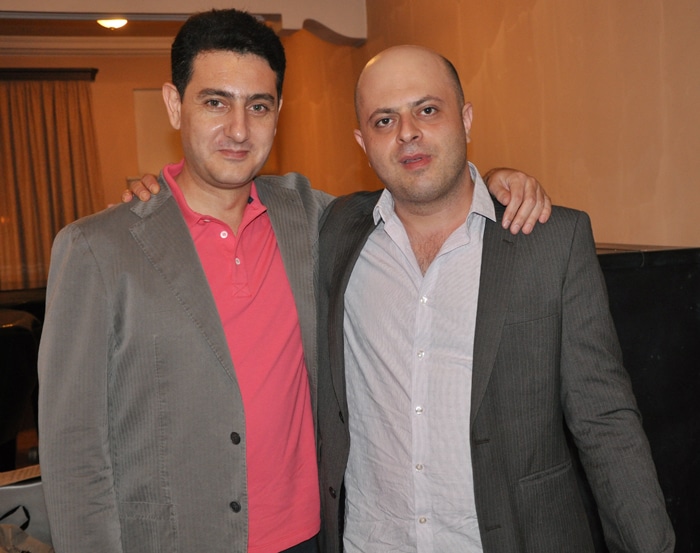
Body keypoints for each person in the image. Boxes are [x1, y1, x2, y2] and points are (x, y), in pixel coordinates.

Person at [38, 10, 549, 553]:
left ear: (278, 114)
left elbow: (417, 192)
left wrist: (496, 181)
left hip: (310, 537)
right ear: (174, 104)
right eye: (215, 103)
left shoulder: (313, 217)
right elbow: (74, 450)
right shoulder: (96, 249)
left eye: (258, 106)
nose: (239, 129)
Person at [316, 45, 675, 553]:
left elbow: (604, 420)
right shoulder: (336, 231)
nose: (407, 133)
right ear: (362, 142)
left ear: (465, 119)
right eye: (384, 120)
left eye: (427, 109)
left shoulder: (551, 242)